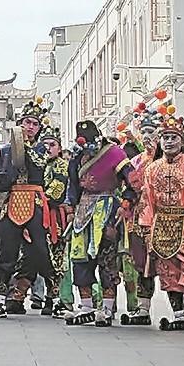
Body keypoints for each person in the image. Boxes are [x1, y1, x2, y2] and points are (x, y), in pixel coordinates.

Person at [0, 102, 61, 317]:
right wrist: (5, 174)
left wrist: (23, 152)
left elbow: (40, 171)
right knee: (6, 253)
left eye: (34, 124)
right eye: (27, 122)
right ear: (19, 125)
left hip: (35, 202)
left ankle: (54, 299)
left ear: (39, 128)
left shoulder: (41, 150)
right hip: (12, 203)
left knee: (42, 252)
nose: (30, 127)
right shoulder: (6, 151)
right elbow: (0, 184)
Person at [136, 117, 184, 331]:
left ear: (182, 140)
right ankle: (178, 315)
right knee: (167, 269)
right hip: (161, 223)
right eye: (165, 138)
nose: (169, 142)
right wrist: (147, 225)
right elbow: (147, 198)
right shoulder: (152, 169)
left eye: (173, 138)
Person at [64, 121, 129, 327]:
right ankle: (86, 306)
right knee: (80, 256)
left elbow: (131, 178)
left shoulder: (115, 153)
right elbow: (72, 185)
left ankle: (108, 308)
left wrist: (126, 202)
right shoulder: (76, 158)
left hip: (108, 207)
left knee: (107, 258)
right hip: (83, 210)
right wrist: (70, 209)